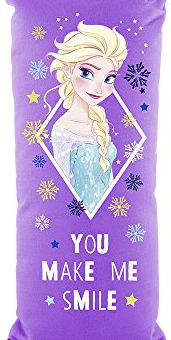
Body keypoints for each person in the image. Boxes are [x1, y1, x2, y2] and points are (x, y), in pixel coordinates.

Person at [44, 22, 128, 212]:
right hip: (76, 217)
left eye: (108, 79)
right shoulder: (63, 130)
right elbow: (63, 185)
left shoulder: (99, 123)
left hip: (109, 215)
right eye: (87, 73)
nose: (98, 88)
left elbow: (108, 180)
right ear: (68, 69)